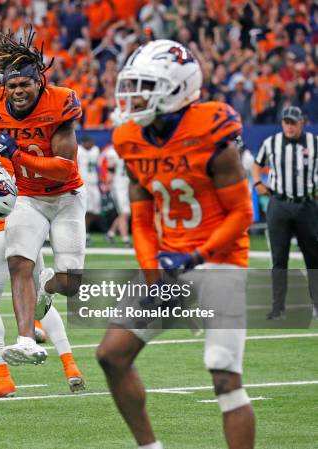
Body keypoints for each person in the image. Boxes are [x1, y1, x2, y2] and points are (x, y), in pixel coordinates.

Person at [97, 40, 255, 449]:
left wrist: (195, 256)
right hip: (170, 261)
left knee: (224, 374)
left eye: (144, 86)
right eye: (130, 85)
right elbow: (143, 217)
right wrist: (152, 272)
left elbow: (242, 215)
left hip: (219, 260)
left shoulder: (211, 130)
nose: (132, 96)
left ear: (177, 87)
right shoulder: (130, 138)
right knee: (111, 354)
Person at [0, 28, 86, 365]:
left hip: (65, 196)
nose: (19, 91)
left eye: (25, 83)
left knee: (70, 283)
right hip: (26, 197)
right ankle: (25, 339)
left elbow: (64, 169)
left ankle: (47, 287)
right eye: (12, 85)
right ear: (3, 87)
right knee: (18, 263)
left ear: (39, 81)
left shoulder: (61, 100)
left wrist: (18, 155)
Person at [0, 136, 86, 397]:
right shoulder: (25, 148)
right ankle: (71, 366)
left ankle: (2, 378)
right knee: (40, 301)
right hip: (28, 227)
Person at [252, 106, 318, 320]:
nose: (289, 126)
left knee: (313, 258)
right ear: (282, 123)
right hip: (279, 204)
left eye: (293, 122)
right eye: (286, 122)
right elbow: (256, 164)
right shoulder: (271, 143)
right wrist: (257, 183)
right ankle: (278, 308)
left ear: (302, 123)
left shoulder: (314, 143)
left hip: (306, 205)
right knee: (279, 259)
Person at [102, 142, 131, 247]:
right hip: (118, 185)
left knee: (124, 213)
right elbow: (110, 171)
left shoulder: (131, 150)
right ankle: (125, 239)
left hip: (129, 184)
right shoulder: (113, 153)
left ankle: (110, 233)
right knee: (125, 213)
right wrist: (107, 185)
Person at [77, 135, 101, 244]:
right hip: (83, 183)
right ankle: (83, 234)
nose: (92, 144)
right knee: (84, 210)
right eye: (90, 142)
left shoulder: (95, 150)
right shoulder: (78, 151)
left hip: (94, 183)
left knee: (95, 211)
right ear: (84, 142)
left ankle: (85, 231)